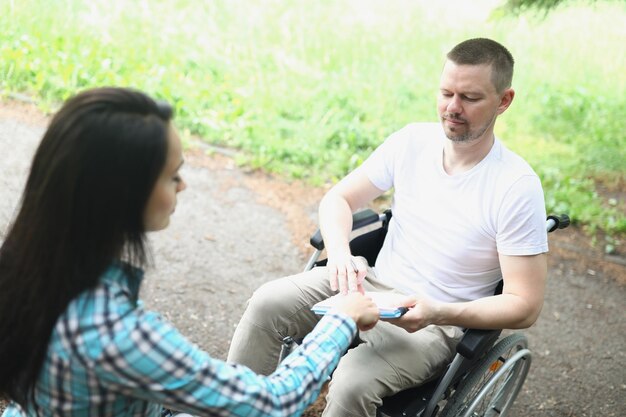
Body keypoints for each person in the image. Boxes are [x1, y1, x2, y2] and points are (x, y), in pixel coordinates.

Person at [0, 87, 380, 417]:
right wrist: (341, 319)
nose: (182, 185)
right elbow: (271, 403)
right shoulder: (117, 331)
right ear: (124, 193)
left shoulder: (26, 269)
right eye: (172, 174)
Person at [227, 38, 549, 417]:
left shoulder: (515, 187)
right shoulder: (413, 141)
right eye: (446, 92)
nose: (452, 108)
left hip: (437, 323)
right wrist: (341, 255)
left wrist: (440, 312)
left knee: (352, 382)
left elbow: (524, 305)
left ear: (504, 100)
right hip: (371, 286)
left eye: (470, 98)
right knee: (268, 303)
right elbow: (338, 200)